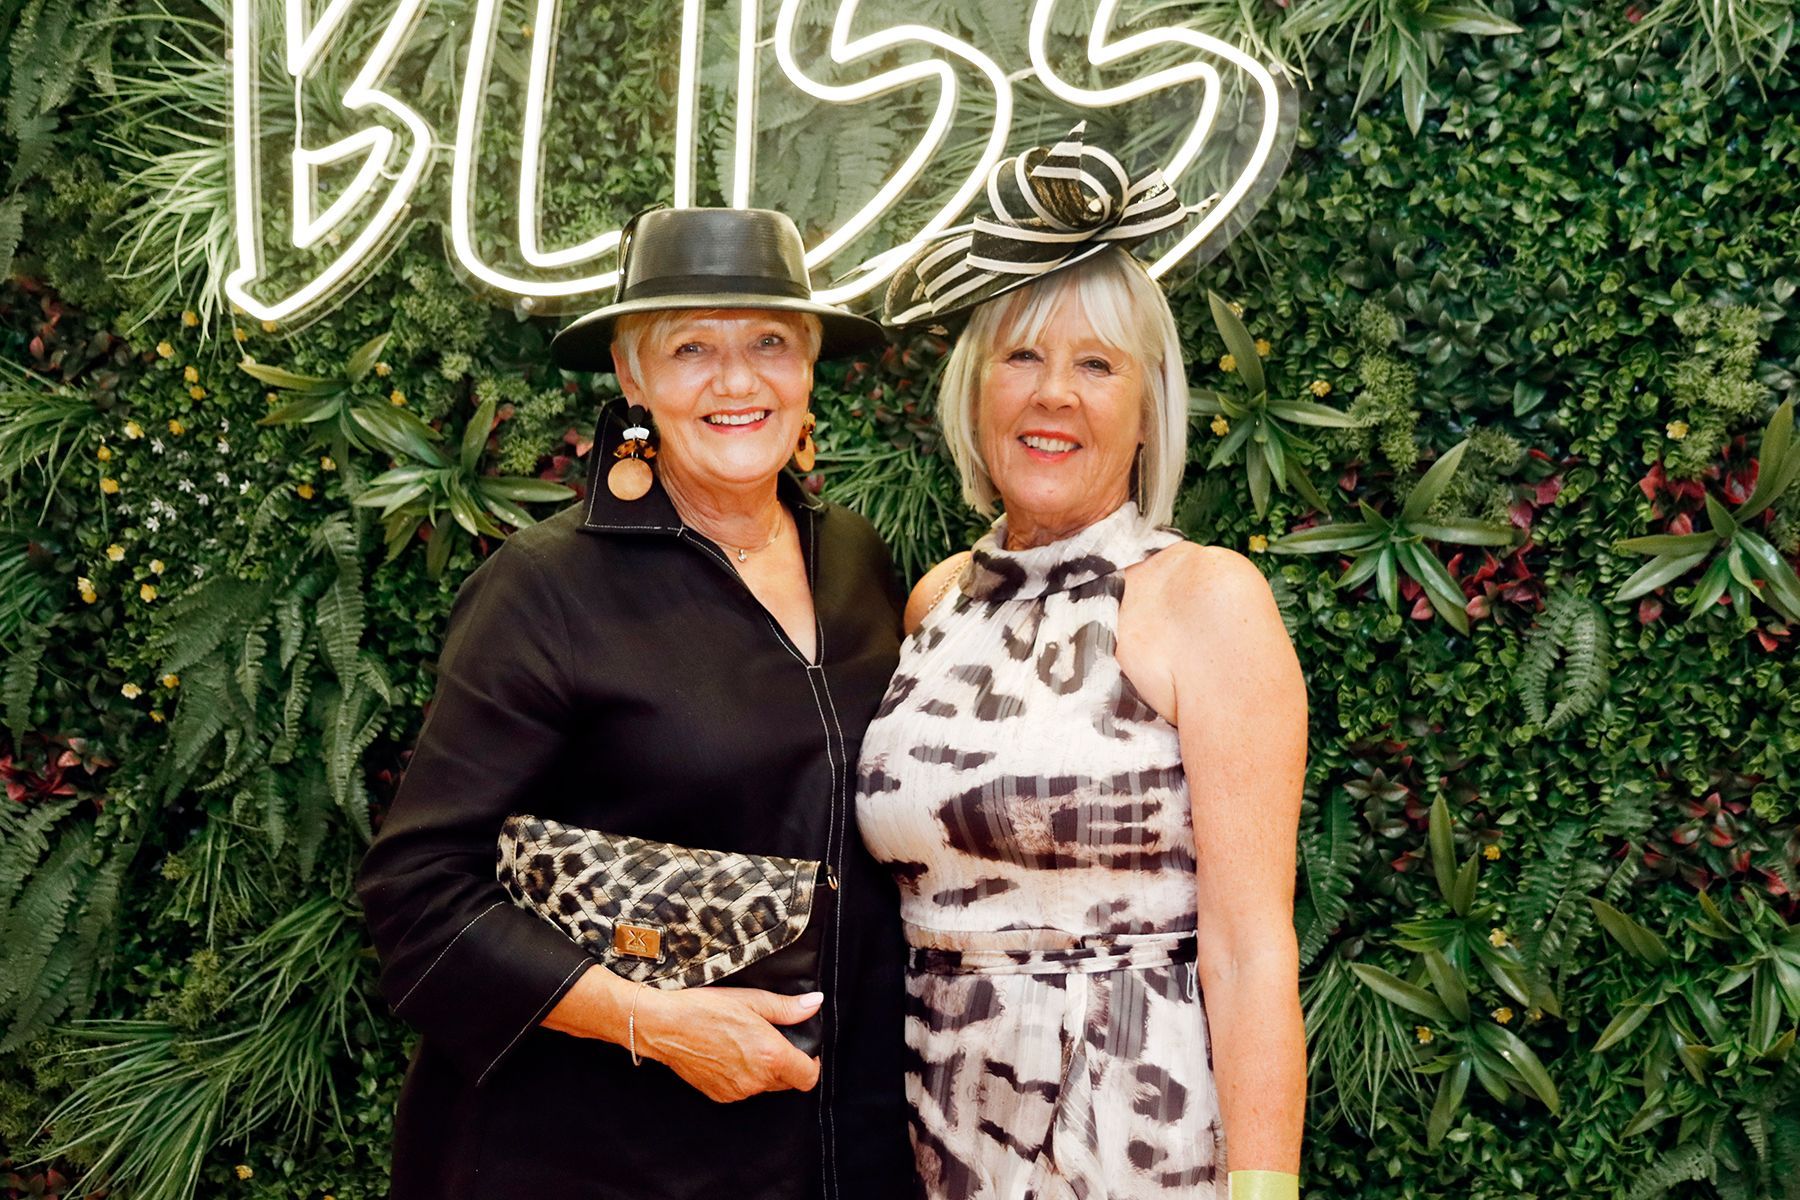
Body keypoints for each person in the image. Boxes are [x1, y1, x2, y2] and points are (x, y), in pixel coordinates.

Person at [356, 207, 913, 1200]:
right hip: (602, 1155)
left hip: (836, 1153)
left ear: (811, 363)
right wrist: (653, 1022)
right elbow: (418, 895)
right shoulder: (546, 589)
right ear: (632, 374)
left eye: (770, 344)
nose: (736, 381)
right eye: (691, 347)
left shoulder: (859, 561)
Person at [855, 128, 1308, 1199]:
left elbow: (1252, 952)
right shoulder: (935, 605)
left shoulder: (1206, 601)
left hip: (1133, 1139)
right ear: (977, 390)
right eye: (1023, 357)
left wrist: (1265, 1187)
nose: (1053, 393)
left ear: (1149, 410)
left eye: (1096, 365)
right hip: (931, 1129)